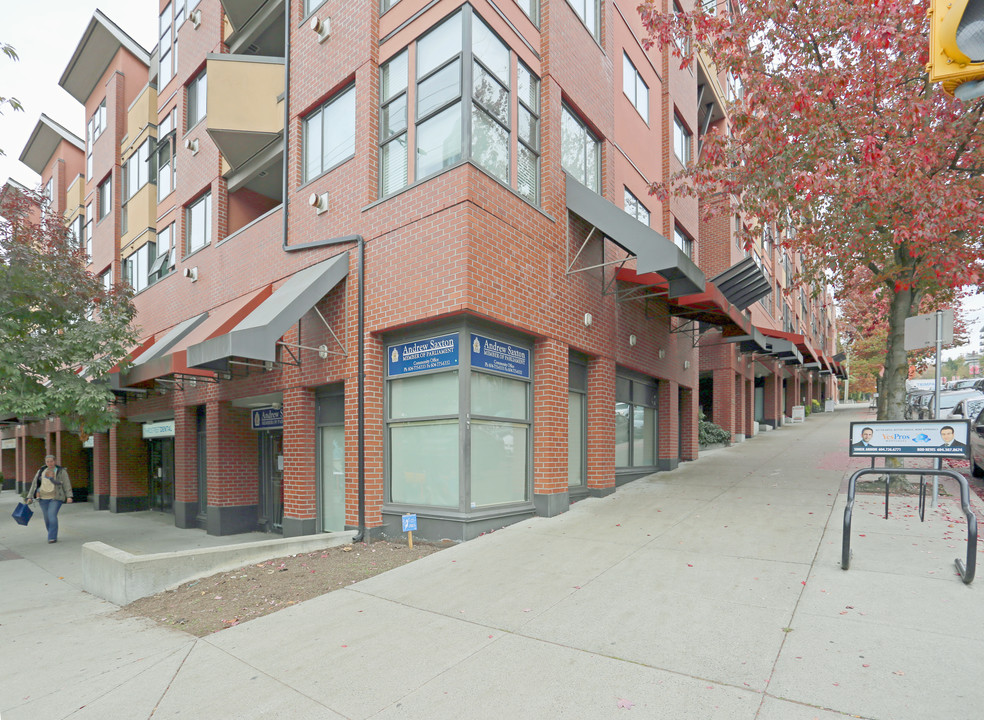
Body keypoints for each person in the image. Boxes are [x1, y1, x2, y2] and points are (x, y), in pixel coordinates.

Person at [25, 455, 73, 543]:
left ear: (55, 461)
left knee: (52, 515)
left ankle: (52, 537)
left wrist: (69, 496)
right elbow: (34, 484)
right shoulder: (41, 471)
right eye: (48, 461)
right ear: (45, 462)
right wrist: (29, 496)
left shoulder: (61, 471)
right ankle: (51, 532)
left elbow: (66, 483)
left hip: (56, 497)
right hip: (43, 498)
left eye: (51, 461)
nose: (49, 463)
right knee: (47, 518)